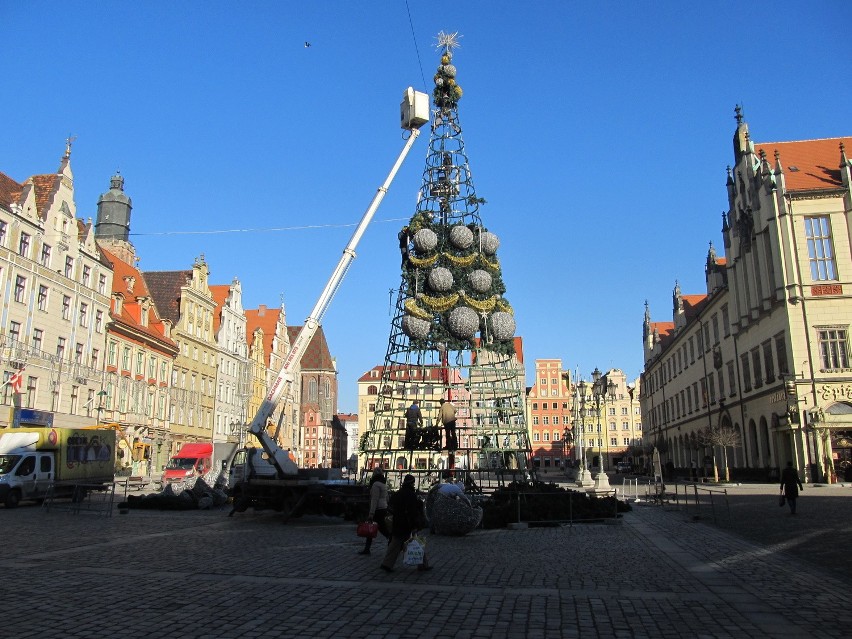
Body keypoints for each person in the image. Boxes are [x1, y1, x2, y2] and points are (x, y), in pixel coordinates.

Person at [380, 474, 431, 572]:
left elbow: (390, 508)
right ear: (412, 483)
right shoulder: (412, 495)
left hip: (398, 522)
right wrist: (415, 524)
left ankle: (386, 564)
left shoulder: (398, 493)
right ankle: (423, 565)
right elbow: (413, 511)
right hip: (408, 523)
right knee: (417, 544)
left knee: (394, 545)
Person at [359, 468, 390, 555]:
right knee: (371, 527)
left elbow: (374, 500)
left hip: (378, 509)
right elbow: (387, 498)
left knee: (381, 528)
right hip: (383, 507)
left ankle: (391, 540)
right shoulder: (383, 484)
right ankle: (367, 548)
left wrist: (371, 513)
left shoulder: (375, 484)